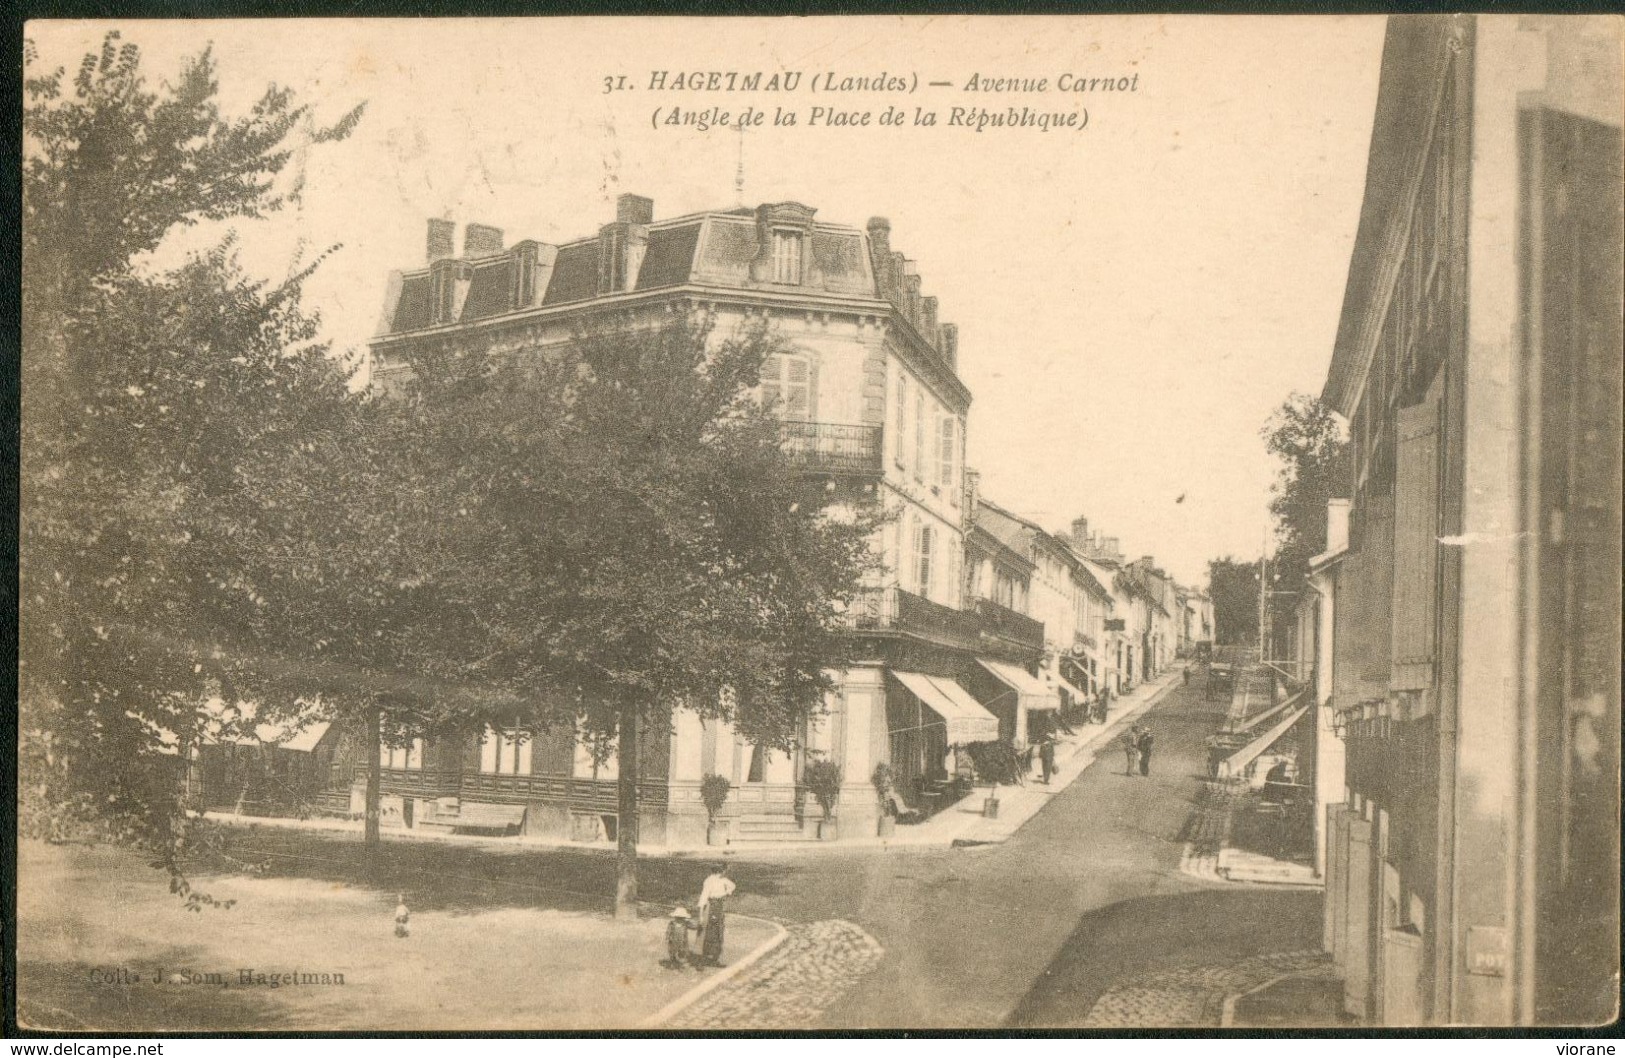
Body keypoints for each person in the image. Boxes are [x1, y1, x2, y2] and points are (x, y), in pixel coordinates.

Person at [696, 863, 737, 967]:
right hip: (712, 907)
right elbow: (704, 897)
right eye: (723, 871)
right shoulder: (709, 881)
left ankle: (714, 957)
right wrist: (701, 915)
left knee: (718, 930)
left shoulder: (722, 880)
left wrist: (727, 892)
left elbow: (732, 886)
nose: (724, 873)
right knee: (710, 931)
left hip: (719, 906)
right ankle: (705, 957)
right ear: (720, 871)